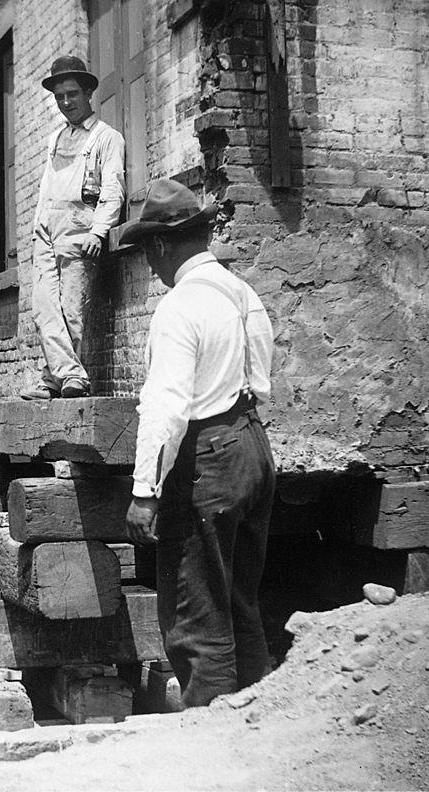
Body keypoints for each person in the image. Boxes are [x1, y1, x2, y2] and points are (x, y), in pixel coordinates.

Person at [120, 178, 276, 709]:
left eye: (147, 253)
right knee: (238, 602)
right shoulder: (242, 292)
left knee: (197, 613)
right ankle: (260, 719)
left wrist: (145, 490)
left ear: (161, 245)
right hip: (252, 445)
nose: (149, 266)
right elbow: (263, 378)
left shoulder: (178, 308)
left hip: (207, 459)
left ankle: (209, 739)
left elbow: (166, 408)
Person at [20, 55, 125, 401]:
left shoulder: (107, 138)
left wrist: (99, 231)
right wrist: (38, 224)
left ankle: (57, 378)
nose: (66, 102)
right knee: (42, 306)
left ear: (88, 93)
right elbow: (47, 186)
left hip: (80, 227)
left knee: (71, 308)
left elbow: (113, 189)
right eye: (60, 96)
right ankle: (68, 375)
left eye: (72, 94)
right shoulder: (54, 140)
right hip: (47, 227)